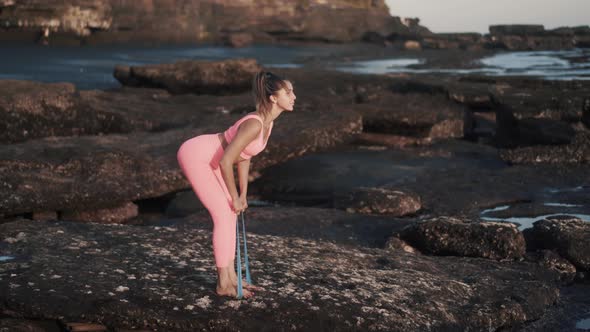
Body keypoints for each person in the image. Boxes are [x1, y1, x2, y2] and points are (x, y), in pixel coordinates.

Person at [176, 71, 296, 298]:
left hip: (212, 158)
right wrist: (235, 195)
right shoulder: (254, 124)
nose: (294, 96)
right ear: (273, 98)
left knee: (230, 212)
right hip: (197, 155)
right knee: (223, 213)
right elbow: (226, 160)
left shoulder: (267, 123)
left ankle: (232, 278)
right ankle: (224, 283)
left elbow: (245, 156)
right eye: (288, 92)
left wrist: (243, 194)